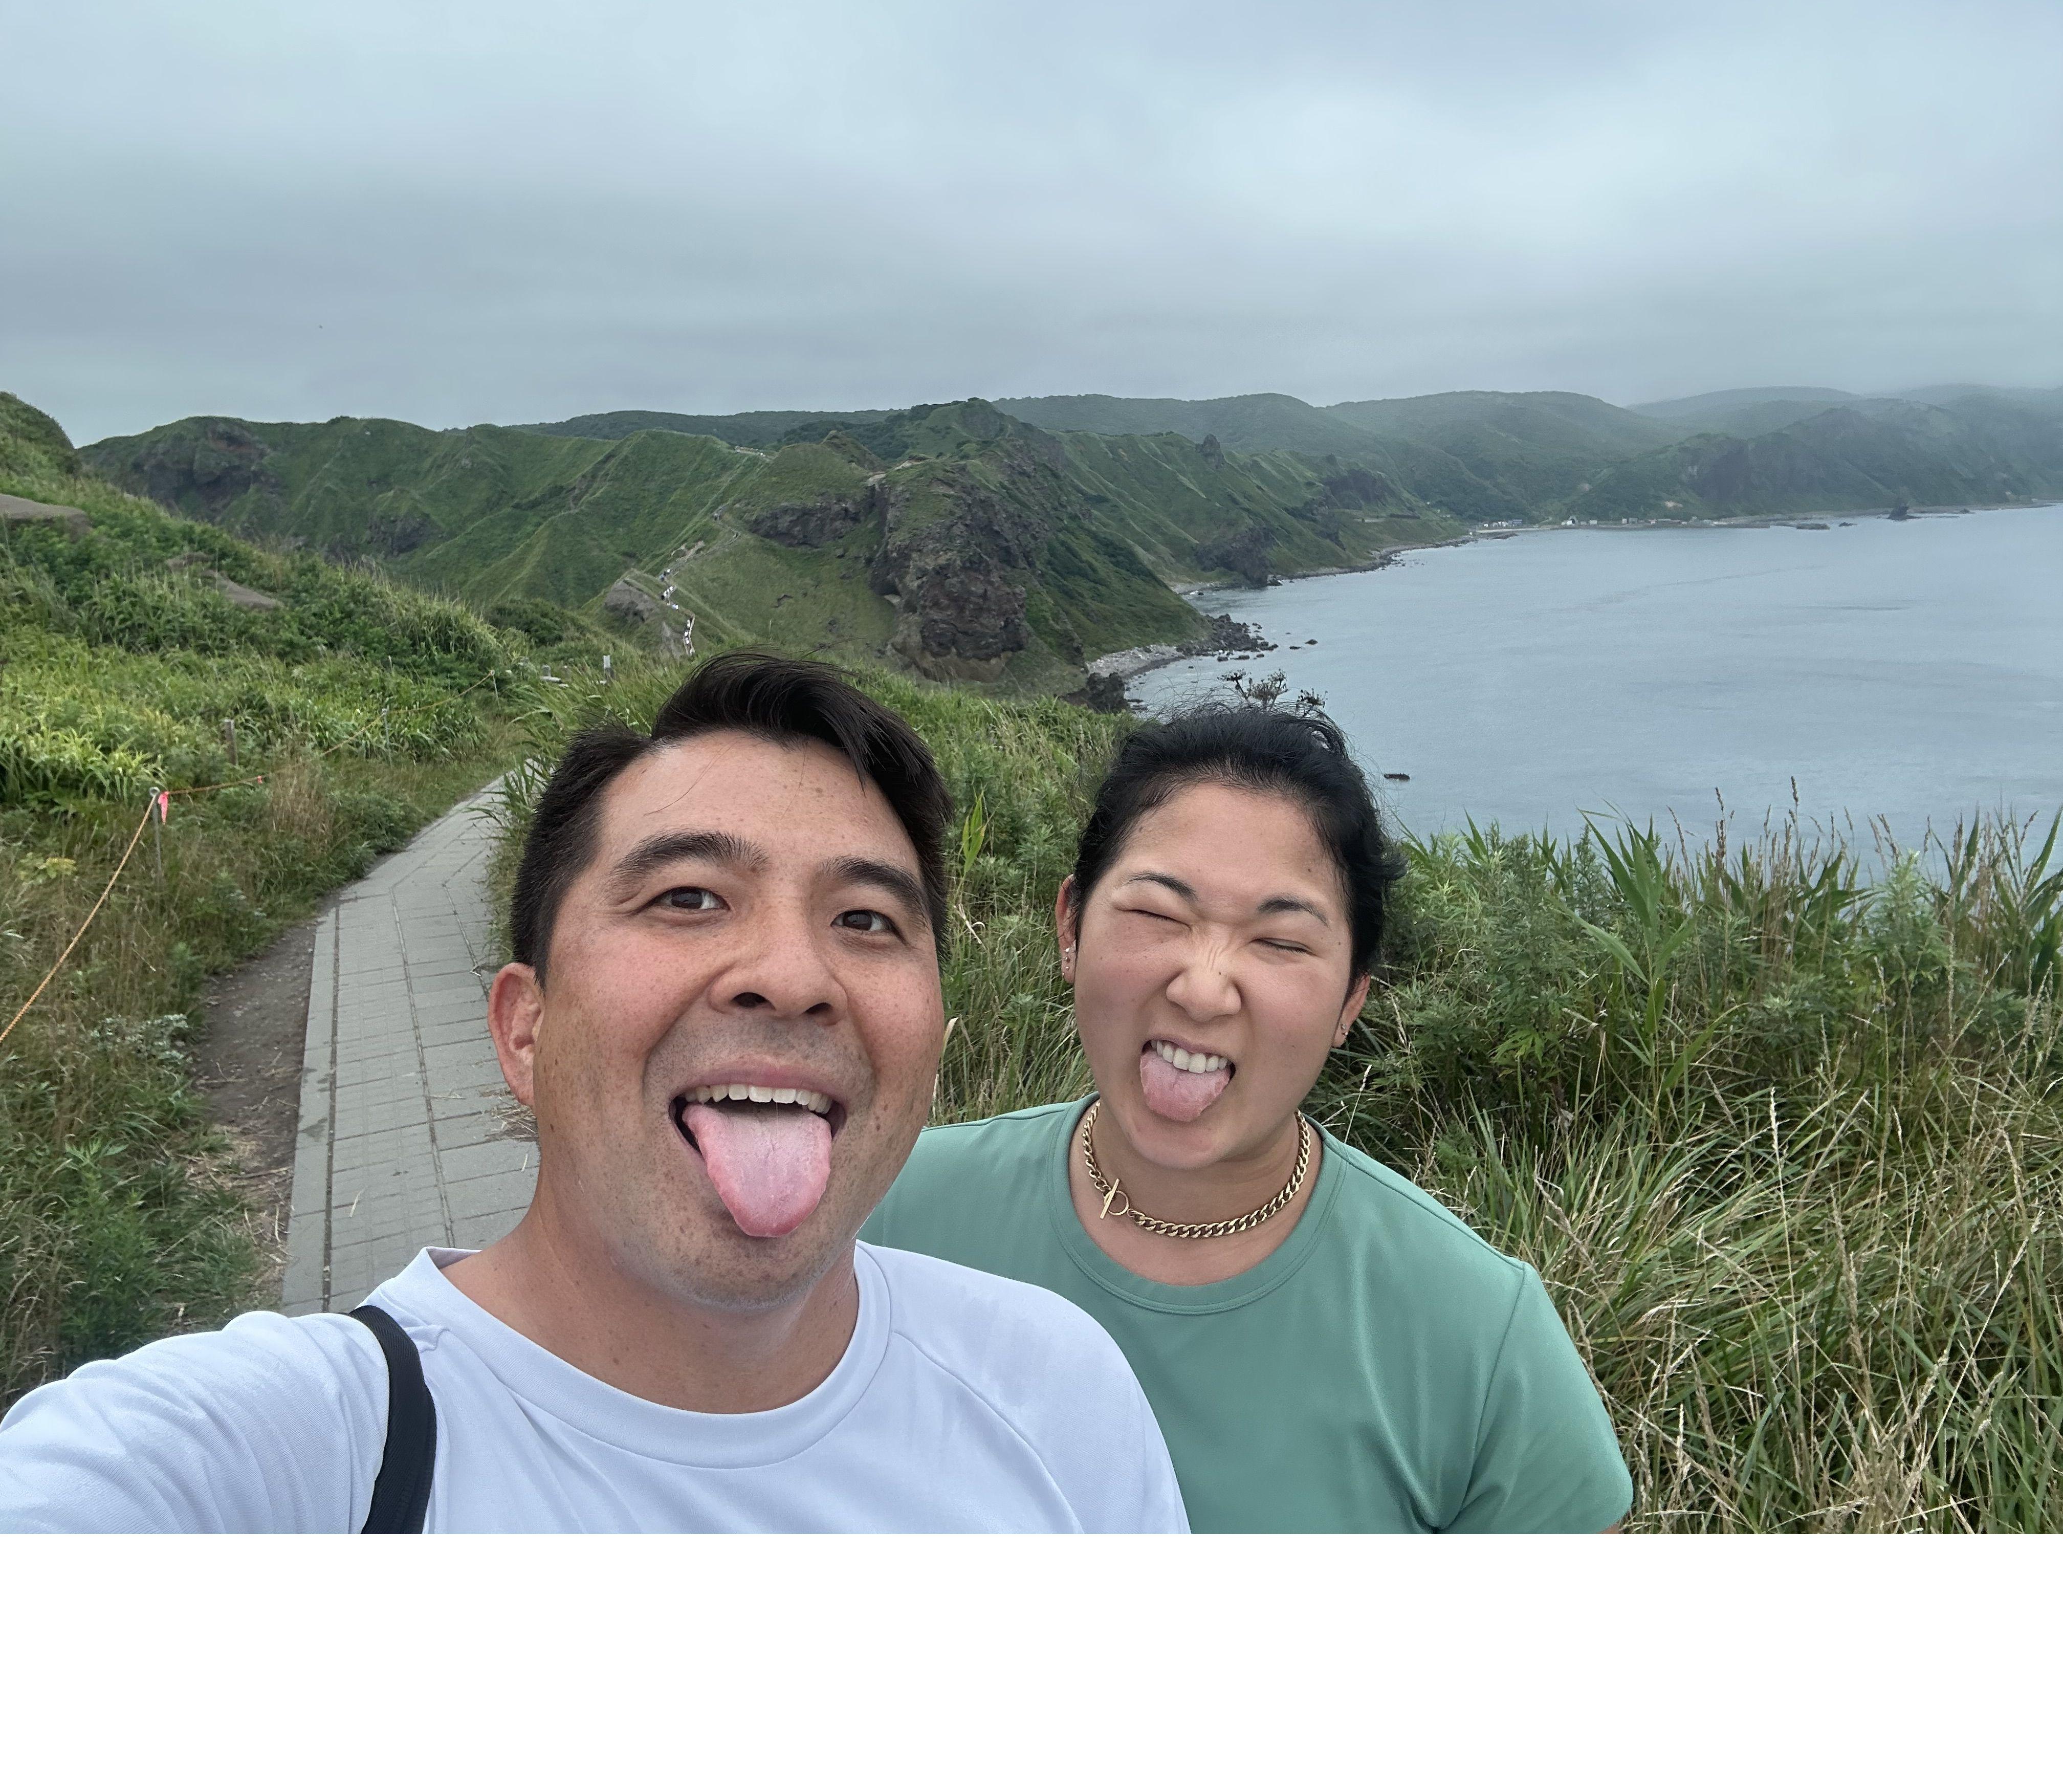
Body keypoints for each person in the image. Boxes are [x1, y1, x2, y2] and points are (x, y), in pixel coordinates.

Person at [0, 654, 1186, 1534]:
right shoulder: (295, 1461)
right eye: (686, 898)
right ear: (526, 1027)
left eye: (867, 920)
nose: (791, 975)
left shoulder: (1055, 1392)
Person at [865, 702, 1633, 1533]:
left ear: (1350, 1003)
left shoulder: (1481, 1340)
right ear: (1070, 929)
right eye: (1158, 914)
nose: (1203, 985)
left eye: (1281, 942)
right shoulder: (882, 1213)